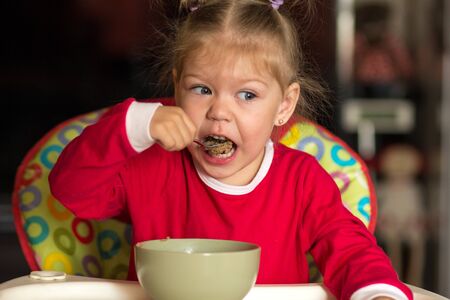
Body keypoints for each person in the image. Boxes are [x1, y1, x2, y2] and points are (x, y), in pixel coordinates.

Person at [49, 1, 412, 299]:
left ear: (284, 105)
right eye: (201, 89)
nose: (219, 112)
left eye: (247, 95)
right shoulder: (149, 165)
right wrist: (134, 125)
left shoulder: (302, 180)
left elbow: (350, 249)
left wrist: (377, 293)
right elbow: (72, 191)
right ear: (176, 89)